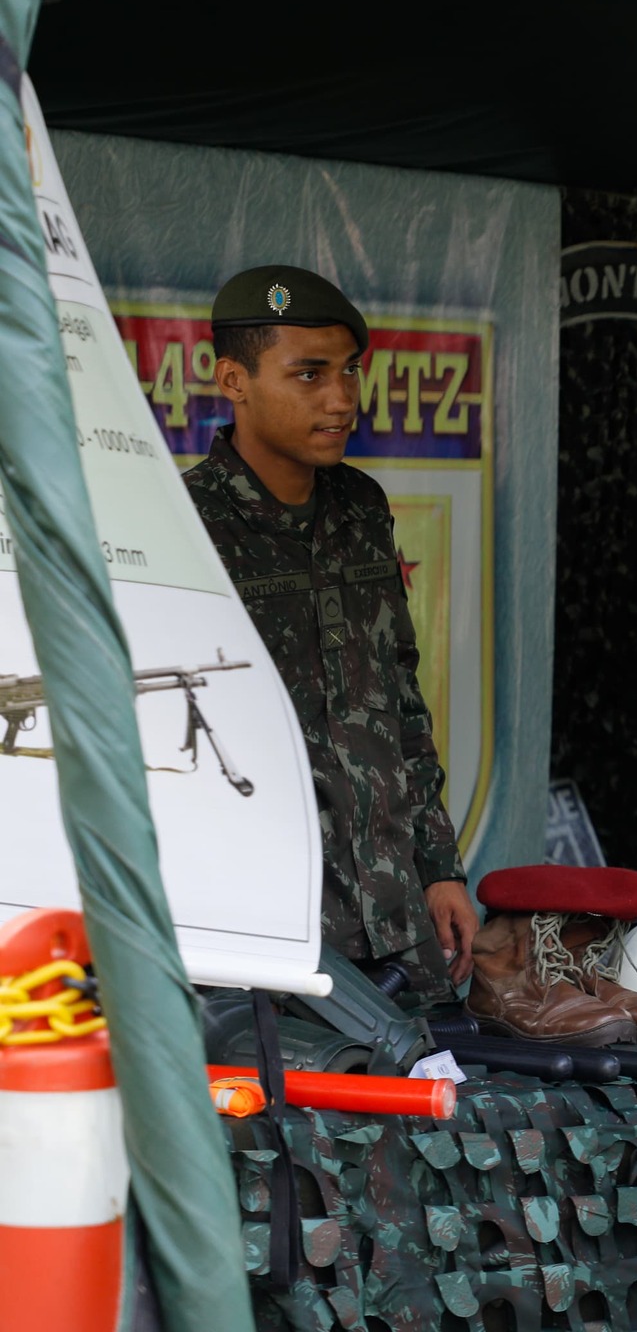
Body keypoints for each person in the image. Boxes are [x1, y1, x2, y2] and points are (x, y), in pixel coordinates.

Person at [187, 265, 479, 1001]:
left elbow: (400, 697)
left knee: (443, 1102)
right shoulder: (181, 526)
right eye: (309, 374)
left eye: (350, 372)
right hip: (267, 925)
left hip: (396, 915)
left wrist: (439, 867)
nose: (342, 398)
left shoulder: (360, 507)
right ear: (233, 379)